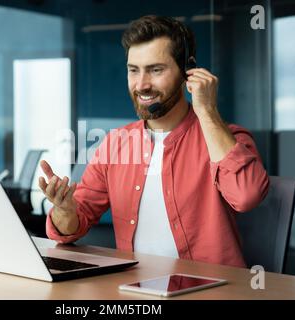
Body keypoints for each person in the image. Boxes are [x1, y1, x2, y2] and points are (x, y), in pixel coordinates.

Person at [38, 15, 269, 268]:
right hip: (135, 289)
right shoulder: (115, 144)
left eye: (156, 70)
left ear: (187, 71)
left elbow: (247, 196)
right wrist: (64, 210)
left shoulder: (229, 138)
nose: (142, 85)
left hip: (212, 290)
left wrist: (207, 111)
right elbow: (74, 223)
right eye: (133, 70)